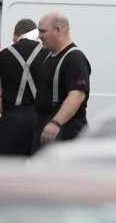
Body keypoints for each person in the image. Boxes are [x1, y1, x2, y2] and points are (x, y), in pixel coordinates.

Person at [33, 12, 91, 150]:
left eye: (42, 31)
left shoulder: (74, 59)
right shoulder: (50, 57)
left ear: (58, 30)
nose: (39, 36)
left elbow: (77, 95)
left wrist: (55, 123)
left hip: (66, 137)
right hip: (49, 134)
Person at [0, 18, 50, 156]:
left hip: (12, 119)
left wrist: (8, 114)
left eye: (14, 34)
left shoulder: (2, 56)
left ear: (19, 33)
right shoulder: (48, 54)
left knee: (8, 171)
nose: (12, 39)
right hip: (39, 120)